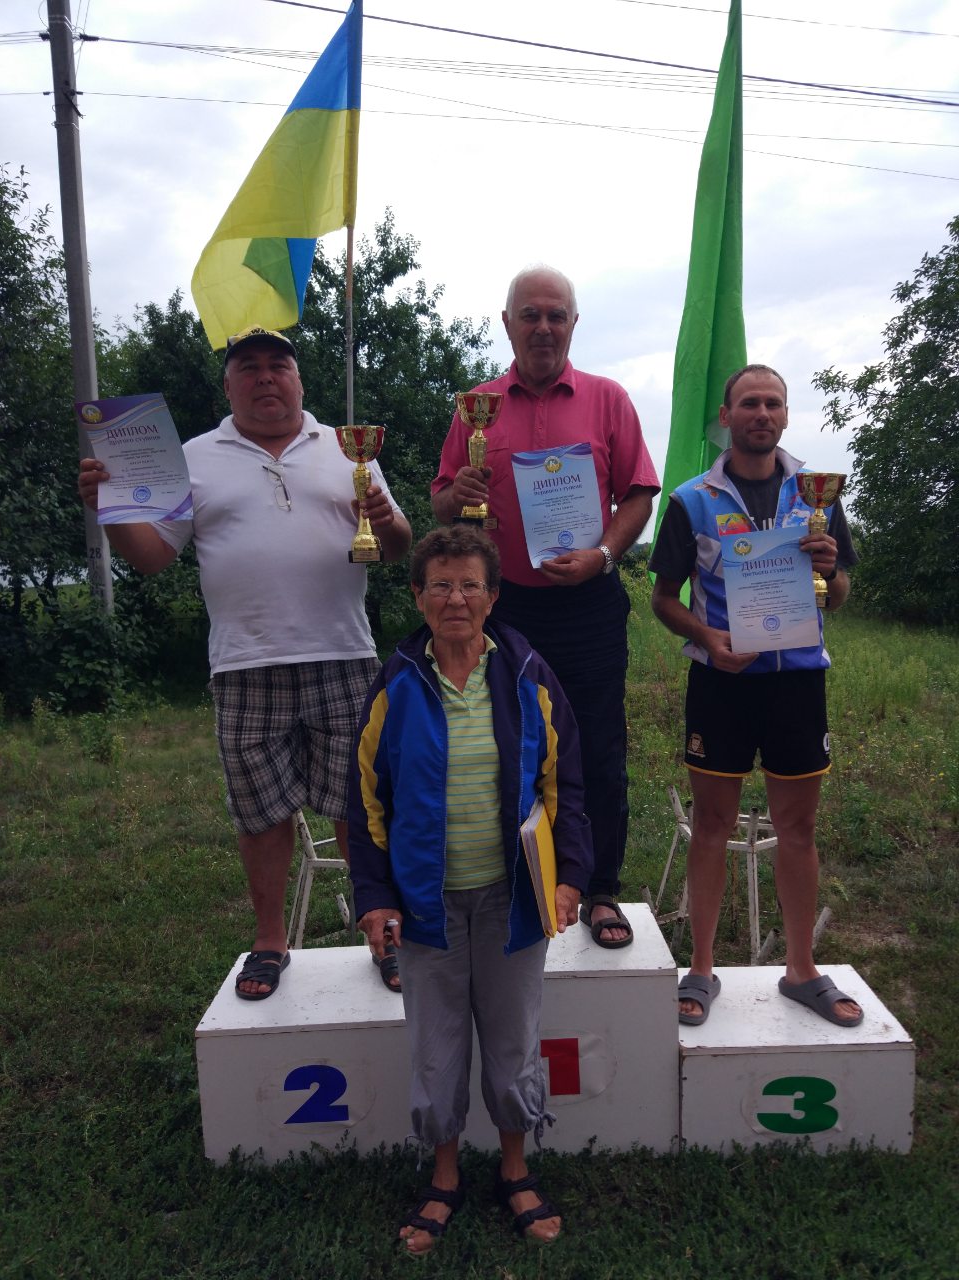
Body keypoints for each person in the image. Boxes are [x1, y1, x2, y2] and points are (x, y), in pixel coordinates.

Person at [78, 325, 412, 1000]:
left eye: (278, 365)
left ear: (299, 381)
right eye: (249, 367)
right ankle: (269, 941)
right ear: (228, 386)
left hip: (344, 653)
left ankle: (382, 928)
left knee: (361, 806)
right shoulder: (193, 458)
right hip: (243, 662)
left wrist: (384, 515)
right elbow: (150, 557)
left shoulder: (348, 450)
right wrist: (109, 506)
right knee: (259, 813)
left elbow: (398, 544)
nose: (265, 377)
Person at [348, 526, 593, 1254]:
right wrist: (376, 896)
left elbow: (566, 784)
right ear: (418, 595)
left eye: (469, 585)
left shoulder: (527, 674)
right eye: (440, 585)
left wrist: (571, 878)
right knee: (436, 1046)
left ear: (492, 596)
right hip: (427, 906)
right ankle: (445, 1174)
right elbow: (363, 801)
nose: (455, 598)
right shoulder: (395, 682)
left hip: (513, 899)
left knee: (514, 1042)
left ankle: (515, 1168)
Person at [431, 266, 659, 948]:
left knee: (595, 744)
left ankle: (599, 891)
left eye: (556, 315)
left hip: (588, 601)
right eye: (529, 315)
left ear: (573, 324)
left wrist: (605, 555)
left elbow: (640, 494)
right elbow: (443, 500)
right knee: (508, 746)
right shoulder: (476, 406)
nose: (543, 327)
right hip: (505, 609)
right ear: (507, 323)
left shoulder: (607, 399)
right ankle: (516, 881)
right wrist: (458, 490)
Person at [648, 363, 863, 1028]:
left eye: (772, 402)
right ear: (727, 415)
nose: (760, 413)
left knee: (798, 829)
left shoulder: (817, 496)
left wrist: (830, 573)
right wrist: (708, 638)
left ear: (786, 415)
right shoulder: (690, 499)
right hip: (722, 682)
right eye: (749, 403)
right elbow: (661, 599)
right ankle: (702, 969)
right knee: (712, 827)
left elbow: (843, 594)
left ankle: (802, 970)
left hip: (798, 682)